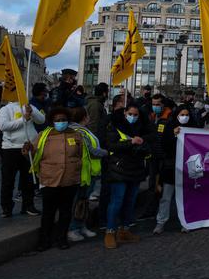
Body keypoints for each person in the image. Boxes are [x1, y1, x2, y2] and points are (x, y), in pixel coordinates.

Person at [30, 107, 92, 251]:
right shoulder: (44, 135)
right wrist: (27, 149)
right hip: (50, 179)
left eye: (63, 120)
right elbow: (33, 153)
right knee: (48, 212)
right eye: (57, 120)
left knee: (65, 212)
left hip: (70, 179)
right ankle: (44, 240)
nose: (61, 122)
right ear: (52, 121)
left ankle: (62, 239)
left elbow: (81, 155)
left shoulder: (76, 135)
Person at [103, 105, 150, 249]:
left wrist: (143, 146)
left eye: (136, 115)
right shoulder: (114, 125)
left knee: (130, 202)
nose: (133, 117)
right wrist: (131, 142)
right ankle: (110, 232)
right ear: (125, 113)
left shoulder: (143, 127)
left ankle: (124, 230)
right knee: (116, 202)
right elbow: (111, 145)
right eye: (130, 114)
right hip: (119, 169)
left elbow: (150, 143)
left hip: (136, 169)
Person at [0, 89, 44, 218]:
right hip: (10, 149)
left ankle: (28, 205)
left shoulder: (29, 106)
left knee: (29, 179)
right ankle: (6, 207)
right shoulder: (5, 109)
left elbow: (41, 120)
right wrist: (23, 119)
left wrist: (32, 112)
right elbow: (4, 126)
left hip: (28, 148)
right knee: (8, 180)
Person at [66, 108, 107, 243]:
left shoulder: (82, 130)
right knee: (78, 201)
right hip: (83, 172)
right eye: (87, 115)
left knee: (83, 201)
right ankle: (73, 228)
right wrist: (107, 152)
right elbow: (91, 151)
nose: (89, 117)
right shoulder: (79, 131)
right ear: (84, 117)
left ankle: (81, 226)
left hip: (89, 171)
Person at [153, 105, 189, 235]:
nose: (185, 117)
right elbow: (164, 145)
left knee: (185, 198)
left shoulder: (193, 127)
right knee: (166, 197)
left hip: (186, 169)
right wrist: (173, 134)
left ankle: (185, 222)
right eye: (182, 115)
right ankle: (161, 222)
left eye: (187, 115)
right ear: (177, 115)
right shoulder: (169, 127)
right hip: (170, 168)